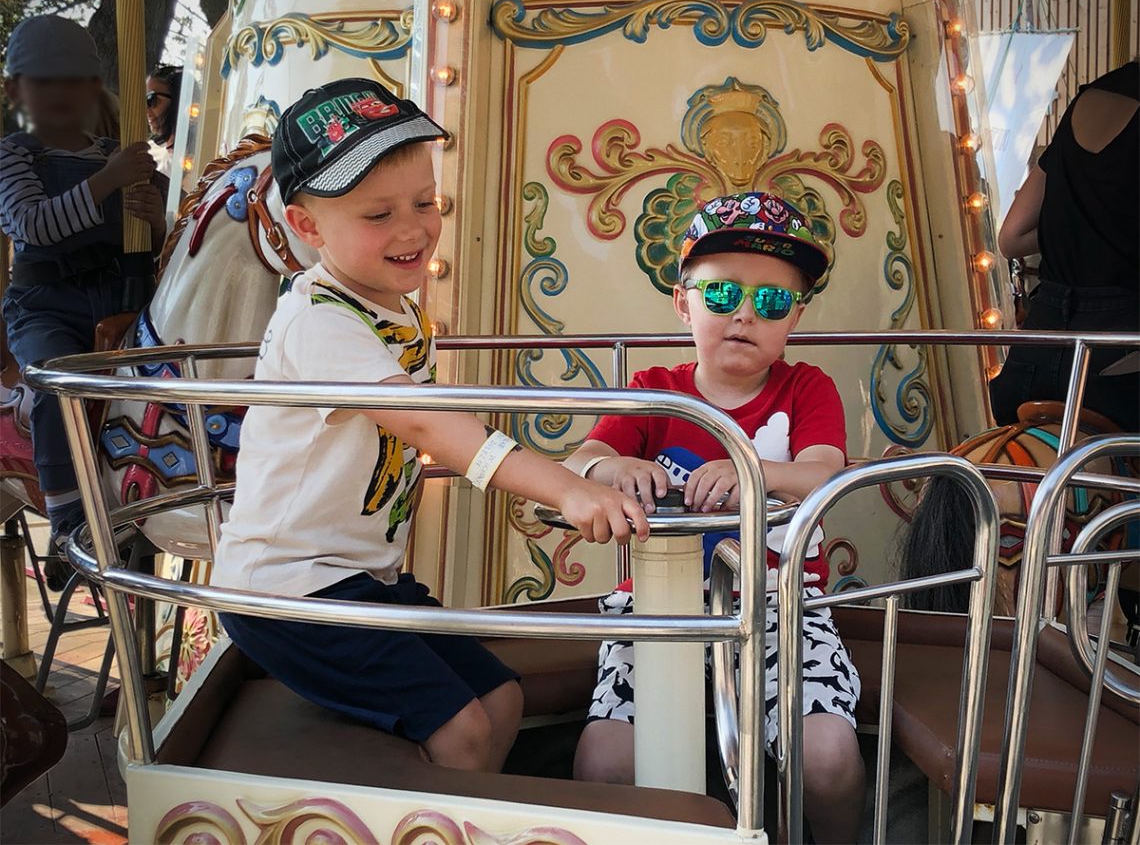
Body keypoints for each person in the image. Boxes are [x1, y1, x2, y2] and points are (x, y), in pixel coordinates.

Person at [212, 79, 650, 773]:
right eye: (378, 214)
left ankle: (471, 813)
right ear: (307, 226)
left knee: (501, 698)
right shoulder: (319, 322)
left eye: (425, 203)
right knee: (463, 731)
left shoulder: (390, 305)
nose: (412, 230)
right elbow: (426, 424)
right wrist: (566, 488)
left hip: (360, 576)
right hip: (288, 589)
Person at [566, 192, 863, 843]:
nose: (745, 314)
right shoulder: (653, 391)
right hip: (658, 605)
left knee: (828, 756)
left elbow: (822, 470)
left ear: (795, 316)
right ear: (684, 302)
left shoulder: (806, 388)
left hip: (778, 602)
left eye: (773, 301)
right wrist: (618, 468)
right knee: (605, 761)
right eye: (723, 294)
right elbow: (583, 461)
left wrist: (751, 471)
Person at [1, 15, 166, 579]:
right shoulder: (14, 156)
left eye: (72, 80)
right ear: (15, 91)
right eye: (43, 81)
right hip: (46, 303)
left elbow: (167, 240)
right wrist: (108, 181)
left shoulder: (122, 156)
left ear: (93, 87)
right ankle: (67, 523)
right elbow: (33, 225)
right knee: (57, 380)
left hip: (123, 297)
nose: (60, 93)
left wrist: (157, 220)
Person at [992, 59, 1138, 432]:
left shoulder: (1089, 98)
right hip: (1117, 362)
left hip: (1037, 349)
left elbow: (1011, 238)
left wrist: (1077, 230)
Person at [145, 65, 181, 175]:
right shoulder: (148, 152)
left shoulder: (200, 148)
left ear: (177, 100)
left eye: (151, 100)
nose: (146, 110)